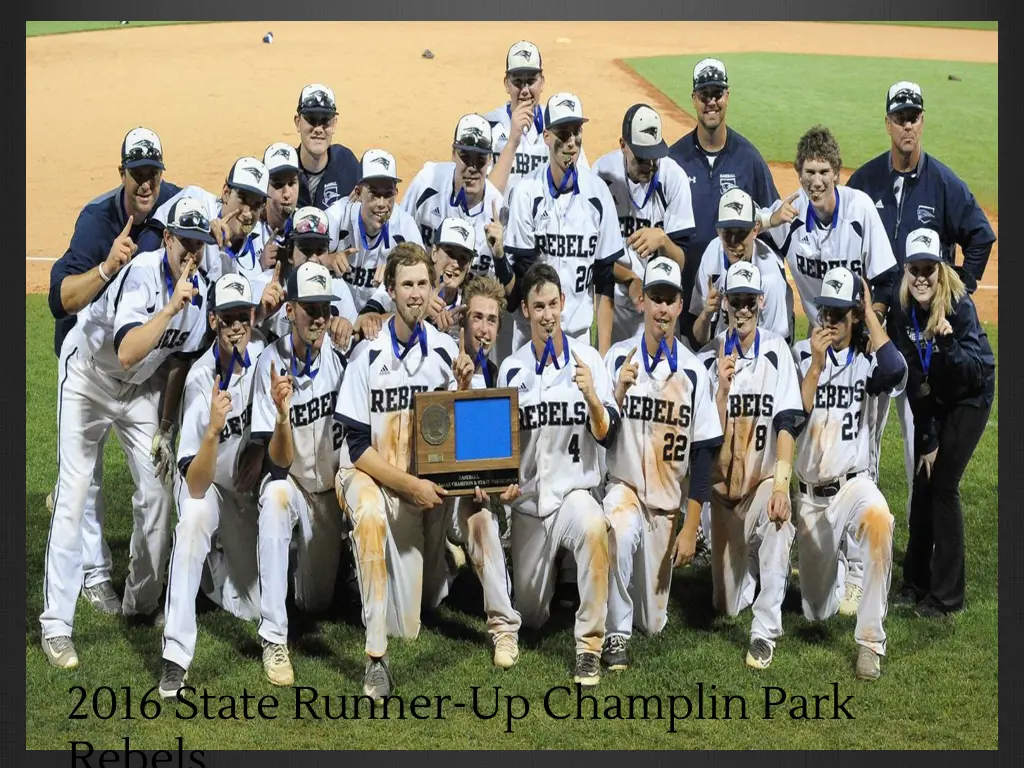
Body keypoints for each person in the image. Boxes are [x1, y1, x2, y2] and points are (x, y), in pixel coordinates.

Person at [40, 197, 215, 668]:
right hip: (88, 379)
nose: (192, 257)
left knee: (159, 496)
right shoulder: (141, 272)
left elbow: (178, 364)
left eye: (201, 248)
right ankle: (56, 624)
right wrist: (172, 307)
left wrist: (164, 428)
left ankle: (140, 603)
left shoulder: (200, 298)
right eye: (187, 246)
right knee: (74, 493)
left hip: (138, 396)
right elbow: (130, 351)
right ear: (170, 240)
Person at [46, 126, 183, 616]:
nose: (145, 184)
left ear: (161, 174)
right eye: (136, 174)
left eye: (153, 173)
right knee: (84, 480)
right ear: (122, 173)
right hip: (89, 368)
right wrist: (105, 268)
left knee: (155, 483)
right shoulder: (98, 218)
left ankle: (141, 597)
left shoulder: (174, 208)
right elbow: (60, 301)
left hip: (140, 374)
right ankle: (94, 573)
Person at [847, 80, 997, 513]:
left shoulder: (945, 184)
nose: (907, 126)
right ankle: (861, 542)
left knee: (920, 447)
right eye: (899, 118)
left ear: (922, 122)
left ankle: (922, 559)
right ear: (888, 123)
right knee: (862, 442)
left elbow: (981, 237)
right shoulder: (865, 181)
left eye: (913, 118)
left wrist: (956, 296)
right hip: (876, 335)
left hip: (922, 344)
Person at [334, 243, 461, 701]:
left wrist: (466, 385)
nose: (415, 293)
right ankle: (375, 662)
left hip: (415, 492)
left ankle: (436, 561)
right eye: (406, 284)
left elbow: (460, 435)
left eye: (423, 284)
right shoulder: (368, 353)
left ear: (432, 290)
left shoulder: (447, 352)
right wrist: (410, 486)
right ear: (389, 290)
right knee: (369, 515)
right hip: (367, 476)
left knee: (411, 624)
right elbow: (356, 446)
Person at [497, 263, 621, 687]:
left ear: (564, 304)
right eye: (538, 306)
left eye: (553, 304)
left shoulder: (589, 362)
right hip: (530, 503)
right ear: (527, 312)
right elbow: (503, 448)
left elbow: (607, 436)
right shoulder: (512, 369)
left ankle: (589, 648)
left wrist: (591, 397)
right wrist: (504, 483)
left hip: (575, 493)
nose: (547, 313)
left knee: (592, 528)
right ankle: (544, 586)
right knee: (530, 616)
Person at [601, 256, 722, 670]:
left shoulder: (693, 371)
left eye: (671, 300)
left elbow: (705, 451)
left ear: (678, 304)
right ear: (642, 303)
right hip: (625, 488)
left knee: (652, 624)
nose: (664, 309)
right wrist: (616, 395)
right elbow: (600, 433)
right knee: (619, 526)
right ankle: (614, 636)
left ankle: (626, 603)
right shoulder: (618, 359)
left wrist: (691, 527)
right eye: (656, 298)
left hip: (668, 507)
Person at [792, 267, 908, 681]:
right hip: (809, 497)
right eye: (827, 312)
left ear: (854, 315)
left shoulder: (866, 361)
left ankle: (870, 643)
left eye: (841, 314)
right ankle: (842, 572)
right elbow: (792, 419)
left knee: (880, 520)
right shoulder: (800, 356)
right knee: (817, 610)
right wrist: (817, 365)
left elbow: (894, 371)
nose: (832, 322)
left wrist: (869, 313)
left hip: (854, 485)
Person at [158, 274, 267, 699]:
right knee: (192, 527)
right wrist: (211, 433)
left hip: (241, 492)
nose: (237, 327)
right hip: (204, 486)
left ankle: (213, 572)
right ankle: (175, 657)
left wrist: (258, 452)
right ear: (213, 322)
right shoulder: (202, 378)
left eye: (243, 317)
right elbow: (195, 480)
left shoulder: (262, 359)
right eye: (228, 320)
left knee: (250, 605)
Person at [247, 261, 352, 686]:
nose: (320, 317)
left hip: (327, 496)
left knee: (313, 604)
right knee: (273, 497)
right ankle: (273, 637)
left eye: (325, 308)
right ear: (289, 310)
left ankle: (314, 567)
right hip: (291, 483)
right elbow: (277, 462)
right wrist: (282, 417)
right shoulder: (270, 365)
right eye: (310, 308)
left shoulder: (342, 359)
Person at [697, 260, 805, 671]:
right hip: (722, 498)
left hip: (760, 485)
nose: (742, 311)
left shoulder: (776, 352)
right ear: (725, 303)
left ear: (761, 302)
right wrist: (721, 391)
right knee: (724, 606)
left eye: (749, 302)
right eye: (735, 302)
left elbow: (786, 422)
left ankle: (764, 632)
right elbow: (704, 437)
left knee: (779, 522)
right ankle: (750, 573)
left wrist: (780, 486)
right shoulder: (710, 359)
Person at [886, 228, 995, 618]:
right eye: (915, 268)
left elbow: (972, 373)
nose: (921, 277)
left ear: (940, 268)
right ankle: (914, 582)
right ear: (906, 268)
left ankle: (947, 598)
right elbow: (916, 377)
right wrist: (928, 436)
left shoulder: (958, 307)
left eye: (929, 269)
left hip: (970, 397)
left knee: (944, 485)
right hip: (933, 397)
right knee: (923, 477)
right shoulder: (903, 309)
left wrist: (947, 345)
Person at [501, 93, 625, 356]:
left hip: (579, 339)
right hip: (530, 337)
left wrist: (601, 353)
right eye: (563, 133)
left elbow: (604, 279)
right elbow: (523, 276)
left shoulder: (598, 194)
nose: (571, 142)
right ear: (546, 136)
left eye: (576, 132)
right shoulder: (527, 193)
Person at [667, 58, 779, 343]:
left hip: (735, 299)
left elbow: (772, 224)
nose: (711, 102)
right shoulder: (674, 160)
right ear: (694, 99)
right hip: (684, 293)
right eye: (704, 95)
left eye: (717, 94)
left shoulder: (748, 158)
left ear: (727, 96)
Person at [446, 275, 523, 668]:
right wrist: (458, 388)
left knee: (483, 521)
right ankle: (445, 560)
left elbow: (500, 456)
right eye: (477, 318)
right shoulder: (441, 361)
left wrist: (503, 486)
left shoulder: (498, 376)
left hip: (472, 500)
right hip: (431, 501)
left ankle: (504, 630)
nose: (484, 328)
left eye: (491, 320)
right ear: (463, 320)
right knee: (418, 609)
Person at [761, 125, 899, 328]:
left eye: (824, 172)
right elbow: (742, 227)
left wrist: (874, 322)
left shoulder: (860, 209)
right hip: (819, 331)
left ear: (836, 173)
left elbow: (885, 279)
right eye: (810, 172)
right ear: (799, 174)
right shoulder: (789, 213)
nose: (817, 182)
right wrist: (770, 221)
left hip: (861, 331)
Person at [592, 104, 696, 345]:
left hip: (662, 302)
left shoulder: (674, 177)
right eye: (641, 158)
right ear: (623, 146)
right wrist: (629, 278)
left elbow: (681, 262)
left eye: (654, 157)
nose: (649, 165)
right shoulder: (601, 175)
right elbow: (594, 260)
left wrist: (663, 240)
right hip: (616, 304)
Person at [399, 114, 506, 282]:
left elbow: (507, 289)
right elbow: (398, 229)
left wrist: (500, 257)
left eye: (480, 160)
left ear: (490, 160)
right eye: (465, 157)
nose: (472, 168)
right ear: (453, 154)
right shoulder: (428, 182)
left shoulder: (499, 210)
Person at [484, 40, 590, 196]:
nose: (525, 90)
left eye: (531, 81)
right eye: (517, 82)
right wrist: (512, 141)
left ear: (542, 82)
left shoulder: (560, 124)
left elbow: (582, 182)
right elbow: (483, 198)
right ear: (506, 84)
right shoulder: (490, 127)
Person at [141, 156, 271, 283]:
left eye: (256, 205)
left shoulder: (253, 265)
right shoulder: (195, 200)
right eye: (242, 199)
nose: (248, 214)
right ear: (226, 193)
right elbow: (152, 236)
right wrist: (197, 233)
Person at [690, 188, 794, 347]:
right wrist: (707, 314)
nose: (733, 242)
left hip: (767, 351)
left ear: (755, 230)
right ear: (718, 232)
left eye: (741, 233)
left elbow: (776, 348)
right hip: (724, 349)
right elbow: (700, 339)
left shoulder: (770, 278)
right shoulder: (712, 257)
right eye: (727, 233)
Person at [325, 149, 423, 311]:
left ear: (396, 194)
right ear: (358, 193)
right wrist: (326, 260)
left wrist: (399, 272)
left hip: (378, 320)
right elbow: (301, 257)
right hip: (335, 313)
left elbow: (423, 277)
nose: (382, 204)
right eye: (374, 195)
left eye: (388, 195)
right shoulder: (339, 215)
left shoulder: (404, 226)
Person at [259, 206, 361, 345]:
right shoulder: (266, 284)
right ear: (289, 253)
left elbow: (355, 339)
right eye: (305, 250)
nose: (313, 258)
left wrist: (347, 328)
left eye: (320, 251)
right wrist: (260, 312)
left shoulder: (338, 287)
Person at [293, 83, 361, 209]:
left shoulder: (347, 165)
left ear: (334, 124)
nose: (318, 129)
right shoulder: (283, 167)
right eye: (311, 119)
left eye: (325, 120)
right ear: (298, 123)